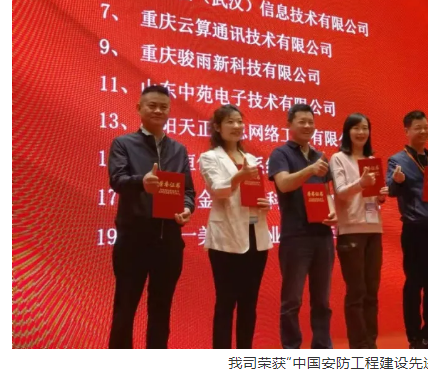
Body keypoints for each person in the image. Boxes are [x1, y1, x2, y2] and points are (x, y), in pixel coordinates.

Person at [107, 84, 195, 348]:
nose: (158, 111)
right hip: (133, 241)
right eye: (152, 105)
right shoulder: (123, 143)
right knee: (125, 308)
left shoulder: (178, 149)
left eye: (163, 107)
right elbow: (117, 180)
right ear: (139, 108)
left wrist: (187, 208)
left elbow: (188, 191)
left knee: (161, 310)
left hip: (169, 242)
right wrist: (141, 182)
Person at [198, 105, 272, 348]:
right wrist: (240, 176)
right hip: (226, 238)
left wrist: (263, 204)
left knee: (249, 302)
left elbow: (252, 194)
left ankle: (244, 356)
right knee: (226, 301)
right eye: (230, 121)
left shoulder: (251, 159)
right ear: (217, 127)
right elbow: (218, 190)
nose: (237, 126)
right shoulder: (209, 157)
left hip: (255, 235)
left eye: (240, 121)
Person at [267, 104, 338, 348]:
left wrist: (332, 211)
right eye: (302, 121)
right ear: (289, 124)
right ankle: (291, 350)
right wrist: (309, 169)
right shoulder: (280, 154)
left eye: (311, 122)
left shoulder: (319, 156)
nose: (308, 126)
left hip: (323, 236)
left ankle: (322, 349)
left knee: (322, 301)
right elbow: (284, 184)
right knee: (292, 301)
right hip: (296, 236)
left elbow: (326, 192)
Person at [386, 110, 428, 349]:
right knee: (415, 283)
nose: (423, 131)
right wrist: (398, 181)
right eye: (417, 127)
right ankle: (414, 338)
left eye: (426, 127)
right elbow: (391, 190)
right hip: (415, 229)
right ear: (407, 131)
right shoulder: (397, 161)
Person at [330, 113, 389, 348]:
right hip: (350, 229)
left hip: (374, 228)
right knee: (357, 291)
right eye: (356, 128)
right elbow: (341, 192)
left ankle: (371, 344)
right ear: (347, 131)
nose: (361, 132)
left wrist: (380, 195)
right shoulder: (338, 158)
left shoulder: (371, 159)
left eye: (365, 128)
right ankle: (358, 346)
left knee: (372, 290)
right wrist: (361, 183)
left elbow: (372, 196)